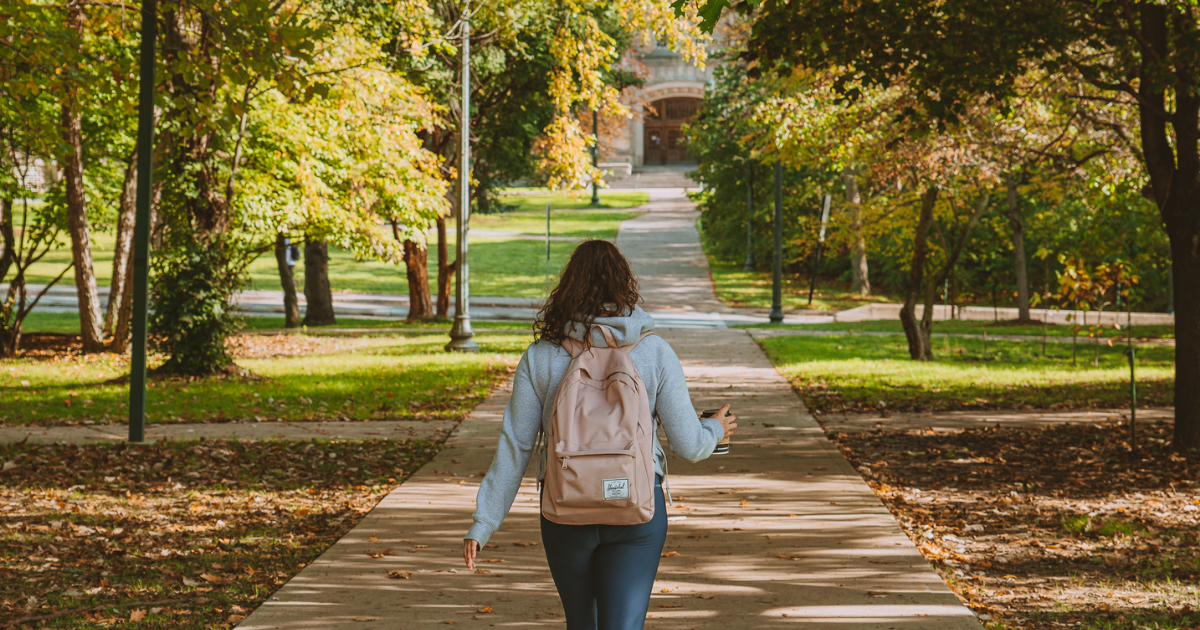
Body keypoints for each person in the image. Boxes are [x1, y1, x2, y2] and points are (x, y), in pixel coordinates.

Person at [461, 239, 737, 630]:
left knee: (582, 624)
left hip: (564, 510)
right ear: (625, 287)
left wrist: (483, 522)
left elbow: (516, 447)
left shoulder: (541, 357)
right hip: (637, 511)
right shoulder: (654, 352)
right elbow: (689, 445)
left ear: (567, 289)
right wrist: (715, 428)